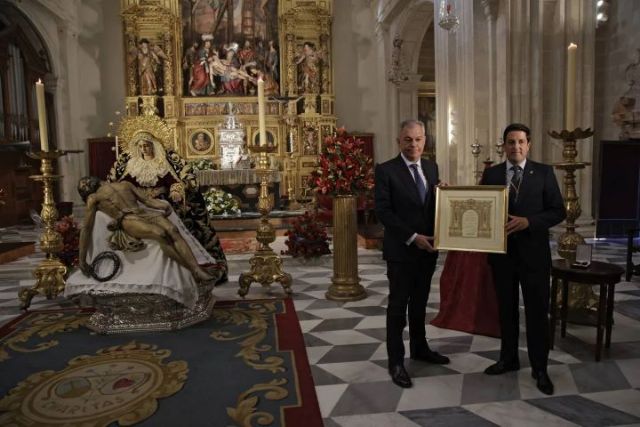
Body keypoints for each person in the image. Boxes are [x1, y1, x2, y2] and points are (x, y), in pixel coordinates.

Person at [480, 123, 566, 395]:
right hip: (502, 256)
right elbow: (482, 208)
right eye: (510, 142)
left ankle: (540, 368)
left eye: (520, 142)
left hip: (534, 256)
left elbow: (557, 211)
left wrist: (529, 221)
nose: (515, 147)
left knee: (537, 312)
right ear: (503, 145)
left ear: (528, 144)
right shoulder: (492, 173)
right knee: (506, 310)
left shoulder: (543, 172)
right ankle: (508, 359)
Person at [374, 119, 449, 389]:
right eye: (408, 139)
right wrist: (413, 237)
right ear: (399, 141)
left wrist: (445, 197)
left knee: (420, 304)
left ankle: (420, 348)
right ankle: (396, 361)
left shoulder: (431, 167)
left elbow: (431, 207)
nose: (414, 144)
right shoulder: (386, 170)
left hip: (427, 251)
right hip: (402, 251)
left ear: (425, 141)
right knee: (398, 307)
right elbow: (383, 211)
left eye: (418, 139)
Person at [109, 132, 228, 282]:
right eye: (140, 146)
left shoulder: (163, 162)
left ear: (153, 146)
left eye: (146, 145)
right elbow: (120, 184)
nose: (144, 149)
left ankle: (190, 267)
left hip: (162, 202)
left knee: (171, 227)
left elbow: (176, 180)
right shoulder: (131, 164)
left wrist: (176, 190)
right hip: (139, 204)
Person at [77, 177, 215, 283]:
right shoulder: (93, 198)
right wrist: (82, 259)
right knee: (160, 233)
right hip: (128, 219)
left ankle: (197, 269)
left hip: (143, 212)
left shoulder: (125, 184)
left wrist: (163, 206)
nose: (85, 184)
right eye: (83, 186)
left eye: (85, 182)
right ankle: (192, 271)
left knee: (172, 229)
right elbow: (86, 228)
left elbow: (147, 201)